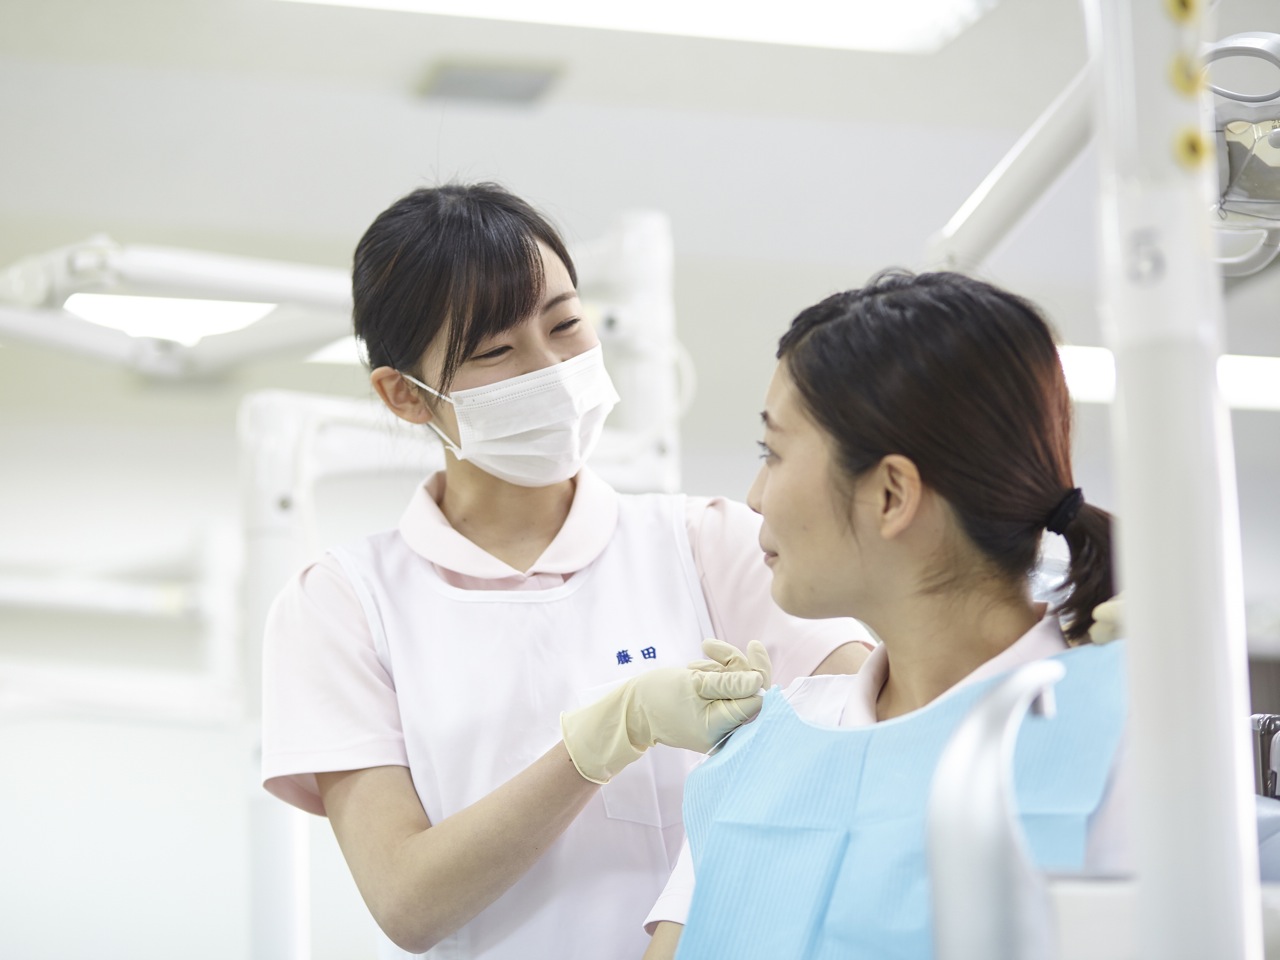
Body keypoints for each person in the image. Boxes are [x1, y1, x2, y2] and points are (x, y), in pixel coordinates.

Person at [258, 182, 872, 960]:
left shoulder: (712, 543)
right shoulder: (345, 604)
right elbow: (407, 902)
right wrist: (605, 741)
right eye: (495, 352)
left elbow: (859, 736)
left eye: (565, 324)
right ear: (404, 397)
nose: (550, 367)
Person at [643, 270, 1128, 960]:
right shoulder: (757, 752)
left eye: (773, 453)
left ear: (892, 494)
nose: (754, 497)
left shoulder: (1124, 737)